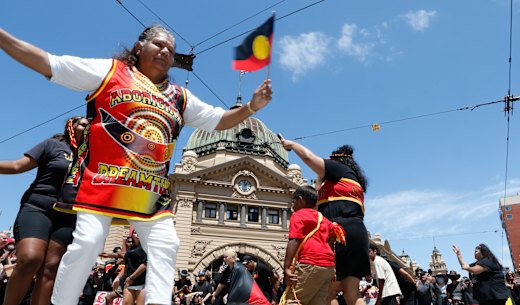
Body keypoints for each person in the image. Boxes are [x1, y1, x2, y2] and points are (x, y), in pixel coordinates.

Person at [0, 24, 272, 305]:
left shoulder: (180, 96)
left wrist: (252, 107)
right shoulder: (111, 72)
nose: (165, 51)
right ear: (139, 47)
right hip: (105, 181)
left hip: (149, 190)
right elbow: (49, 63)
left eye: (171, 49)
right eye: (158, 44)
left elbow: (219, 119)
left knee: (167, 245)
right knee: (88, 243)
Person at [0, 116, 88, 305]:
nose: (86, 126)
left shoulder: (95, 155)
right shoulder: (54, 145)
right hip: (38, 207)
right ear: (70, 127)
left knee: (51, 267)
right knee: (31, 258)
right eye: (81, 123)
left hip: (70, 216)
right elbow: (17, 166)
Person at [280, 141, 369, 305]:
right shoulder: (353, 181)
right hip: (359, 234)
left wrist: (292, 145)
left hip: (338, 233)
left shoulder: (338, 169)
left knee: (330, 292)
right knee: (353, 293)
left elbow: (308, 157)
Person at [282, 185, 338, 305]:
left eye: (294, 201)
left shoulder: (299, 215)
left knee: (292, 301)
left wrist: (286, 267)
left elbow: (294, 240)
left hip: (310, 262)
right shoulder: (323, 218)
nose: (292, 205)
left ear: (300, 199)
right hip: (328, 266)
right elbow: (333, 237)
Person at [114, 233, 147, 305]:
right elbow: (127, 265)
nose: (138, 234)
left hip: (143, 282)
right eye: (135, 232)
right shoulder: (130, 250)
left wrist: (131, 278)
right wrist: (118, 278)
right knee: (126, 303)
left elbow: (144, 265)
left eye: (139, 232)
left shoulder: (146, 247)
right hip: (129, 282)